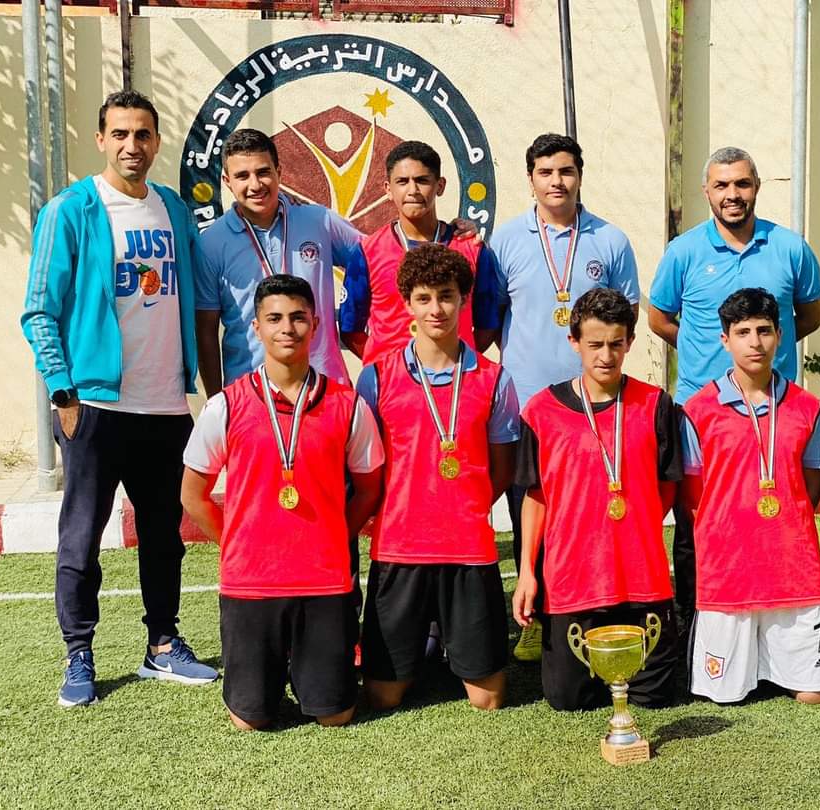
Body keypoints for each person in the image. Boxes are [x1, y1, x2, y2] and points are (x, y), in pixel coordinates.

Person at [20, 90, 217, 708]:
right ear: (102, 139)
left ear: (157, 141)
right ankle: (78, 652)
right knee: (81, 537)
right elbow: (39, 311)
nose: (134, 146)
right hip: (96, 407)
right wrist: (63, 390)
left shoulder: (174, 210)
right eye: (122, 134)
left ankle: (163, 644)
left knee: (164, 535)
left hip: (165, 406)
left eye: (144, 134)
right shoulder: (71, 210)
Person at [180, 275, 384, 729]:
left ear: (315, 324)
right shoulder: (226, 406)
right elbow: (192, 495)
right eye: (274, 318)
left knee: (336, 716)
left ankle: (310, 673)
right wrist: (236, 544)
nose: (287, 328)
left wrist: (336, 536)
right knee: (249, 720)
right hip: (251, 584)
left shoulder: (347, 405)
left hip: (325, 582)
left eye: (297, 317)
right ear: (256, 327)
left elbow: (369, 487)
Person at [491, 133, 641, 662]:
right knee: (530, 512)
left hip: (595, 406)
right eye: (546, 172)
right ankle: (534, 619)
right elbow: (492, 318)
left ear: (580, 175)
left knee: (593, 518)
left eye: (566, 171)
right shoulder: (505, 241)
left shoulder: (610, 240)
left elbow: (626, 315)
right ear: (530, 178)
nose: (557, 181)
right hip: (529, 408)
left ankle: (597, 616)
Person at [356, 244, 517, 711]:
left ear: (463, 299)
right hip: (400, 546)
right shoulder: (376, 377)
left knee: (487, 700)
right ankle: (426, 640)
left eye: (446, 296)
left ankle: (444, 638)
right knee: (383, 696)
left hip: (468, 547)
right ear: (407, 302)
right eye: (424, 298)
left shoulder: (494, 378)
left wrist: (465, 506)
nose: (436, 309)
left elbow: (503, 466)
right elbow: (366, 466)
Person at [512, 288, 682, 710]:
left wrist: (633, 526)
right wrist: (527, 572)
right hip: (573, 583)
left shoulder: (657, 405)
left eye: (616, 343)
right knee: (568, 700)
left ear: (629, 342)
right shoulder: (541, 410)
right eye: (595, 344)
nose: (606, 355)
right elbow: (536, 496)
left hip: (642, 581)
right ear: (574, 342)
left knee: (654, 699)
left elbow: (666, 488)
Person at [681, 288, 820, 705]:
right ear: (725, 340)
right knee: (724, 696)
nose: (755, 342)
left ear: (780, 336)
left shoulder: (807, 407)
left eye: (764, 331)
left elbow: (811, 484)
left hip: (791, 564)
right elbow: (694, 496)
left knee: (814, 695)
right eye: (743, 332)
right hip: (727, 568)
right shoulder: (698, 409)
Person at [647, 146, 820, 404]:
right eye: (721, 185)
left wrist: (766, 345)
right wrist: (699, 348)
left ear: (757, 186)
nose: (732, 195)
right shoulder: (682, 252)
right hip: (701, 403)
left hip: (773, 402)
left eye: (742, 184)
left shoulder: (792, 249)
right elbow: (658, 320)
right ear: (706, 191)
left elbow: (811, 317)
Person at [195, 128, 361, 394]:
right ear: (227, 181)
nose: (255, 185)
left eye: (263, 172)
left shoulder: (319, 221)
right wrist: (216, 402)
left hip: (325, 389)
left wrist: (363, 329)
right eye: (242, 176)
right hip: (250, 394)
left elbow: (381, 258)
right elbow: (205, 330)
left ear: (278, 172)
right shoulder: (211, 244)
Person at [339, 139, 501, 363]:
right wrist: (384, 365)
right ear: (388, 189)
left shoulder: (471, 248)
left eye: (422, 180)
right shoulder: (367, 252)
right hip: (390, 381)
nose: (413, 190)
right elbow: (350, 328)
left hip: (455, 377)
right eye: (402, 181)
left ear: (440, 186)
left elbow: (488, 324)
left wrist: (456, 360)